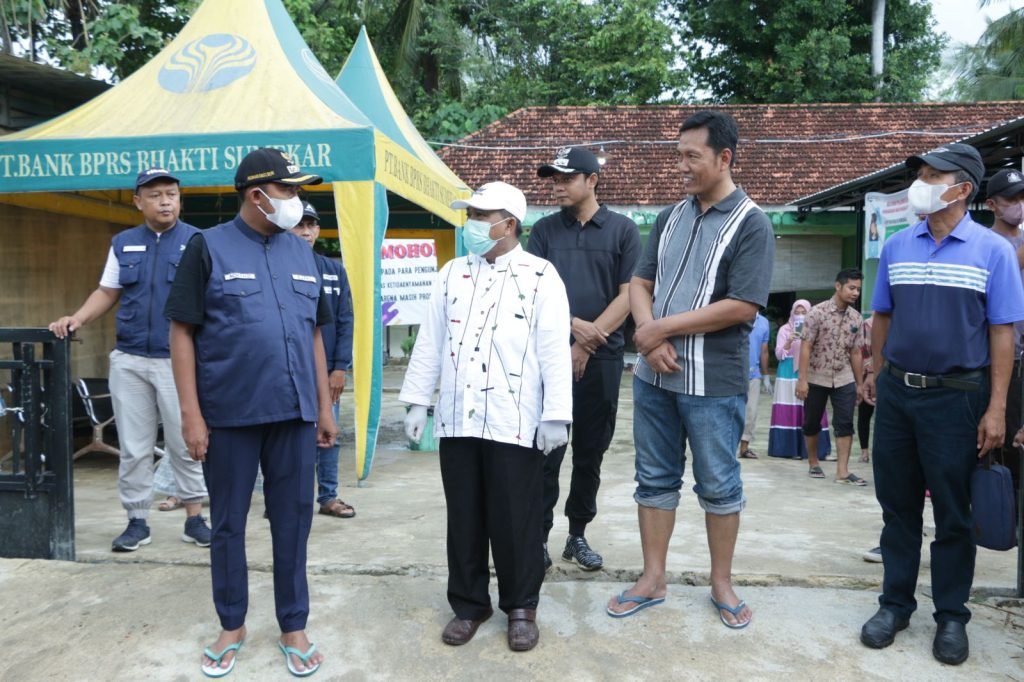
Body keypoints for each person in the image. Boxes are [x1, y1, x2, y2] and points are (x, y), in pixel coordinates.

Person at [165, 148, 336, 677]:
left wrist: (325, 408)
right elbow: (181, 332)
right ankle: (232, 623)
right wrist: (191, 416)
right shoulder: (207, 247)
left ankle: (293, 624)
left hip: (294, 415)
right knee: (228, 525)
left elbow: (313, 333)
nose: (295, 200)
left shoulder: (302, 253)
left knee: (294, 521)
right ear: (256, 194)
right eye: (288, 190)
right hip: (230, 415)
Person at [605, 111, 774, 629]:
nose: (681, 166)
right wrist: (648, 332)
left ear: (724, 158)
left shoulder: (752, 223)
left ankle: (721, 583)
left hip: (712, 383)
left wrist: (660, 329)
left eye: (691, 156)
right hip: (654, 378)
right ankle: (653, 578)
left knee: (719, 484)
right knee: (653, 478)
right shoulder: (670, 217)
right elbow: (640, 282)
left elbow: (742, 305)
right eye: (678, 155)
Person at [860, 143, 1024, 665]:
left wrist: (997, 408)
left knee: (954, 512)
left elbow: (1003, 333)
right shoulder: (897, 246)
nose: (922, 184)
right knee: (898, 507)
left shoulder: (992, 251)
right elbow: (883, 316)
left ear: (963, 189)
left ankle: (951, 615)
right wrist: (875, 373)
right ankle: (895, 605)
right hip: (898, 394)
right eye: (922, 175)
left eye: (934, 176)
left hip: (958, 398)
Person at [400, 181, 572, 652]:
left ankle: (521, 606)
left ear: (508, 224)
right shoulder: (451, 274)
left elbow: (554, 349)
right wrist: (418, 401)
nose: (471, 224)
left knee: (516, 517)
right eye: (470, 215)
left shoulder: (540, 276)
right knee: (464, 515)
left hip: (514, 419)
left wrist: (556, 413)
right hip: (458, 417)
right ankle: (469, 604)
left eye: (480, 216)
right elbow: (431, 341)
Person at [48, 168, 210, 552]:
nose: (165, 201)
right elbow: (108, 291)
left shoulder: (198, 241)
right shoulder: (123, 243)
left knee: (186, 442)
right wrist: (77, 318)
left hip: (178, 361)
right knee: (135, 447)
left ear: (179, 199)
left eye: (171, 194)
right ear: (138, 202)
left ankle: (195, 518)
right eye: (155, 195)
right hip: (130, 358)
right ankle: (137, 521)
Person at [527, 146, 641, 571]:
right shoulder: (543, 231)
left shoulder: (623, 231)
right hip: (549, 358)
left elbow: (629, 294)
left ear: (592, 180)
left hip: (603, 359)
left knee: (590, 452)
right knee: (546, 451)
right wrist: (574, 329)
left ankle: (577, 535)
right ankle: (537, 538)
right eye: (554, 180)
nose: (557, 187)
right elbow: (533, 292)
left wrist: (588, 344)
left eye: (566, 179)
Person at [290, 201, 356, 519]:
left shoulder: (333, 271)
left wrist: (340, 368)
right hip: (286, 370)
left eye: (311, 225)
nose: (306, 231)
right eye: (299, 225)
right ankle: (287, 496)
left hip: (326, 371)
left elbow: (345, 320)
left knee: (329, 434)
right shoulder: (275, 267)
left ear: (318, 229)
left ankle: (328, 495)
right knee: (287, 437)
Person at [795, 268, 866, 484]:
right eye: (851, 288)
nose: (855, 293)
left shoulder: (856, 318)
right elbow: (806, 346)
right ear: (838, 286)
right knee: (811, 422)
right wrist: (802, 379)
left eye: (858, 289)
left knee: (845, 423)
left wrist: (860, 384)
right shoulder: (817, 313)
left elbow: (856, 352)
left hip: (844, 377)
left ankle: (842, 471)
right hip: (817, 376)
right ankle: (813, 462)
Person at [984, 168, 1024, 493]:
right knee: (1002, 443)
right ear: (992, 205)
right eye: (1011, 199)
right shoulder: (983, 244)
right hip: (996, 360)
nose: (1019, 205)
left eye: (1023, 198)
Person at [767, 300, 830, 460]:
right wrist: (789, 341)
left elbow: (821, 351)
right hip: (788, 373)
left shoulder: (815, 328)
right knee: (789, 406)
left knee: (813, 405)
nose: (800, 316)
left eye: (804, 313)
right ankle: (789, 449)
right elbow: (779, 355)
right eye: (797, 312)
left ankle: (816, 450)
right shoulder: (784, 329)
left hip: (809, 371)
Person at [739, 311, 771, 459]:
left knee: (751, 411)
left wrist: (766, 376)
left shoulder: (764, 322)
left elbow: (764, 350)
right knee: (730, 410)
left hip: (754, 374)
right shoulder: (737, 316)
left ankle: (744, 447)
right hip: (733, 372)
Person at [858, 314, 876, 464]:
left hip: (887, 373)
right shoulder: (867, 324)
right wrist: (870, 370)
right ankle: (864, 451)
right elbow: (863, 350)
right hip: (867, 373)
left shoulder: (896, 322)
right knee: (864, 413)